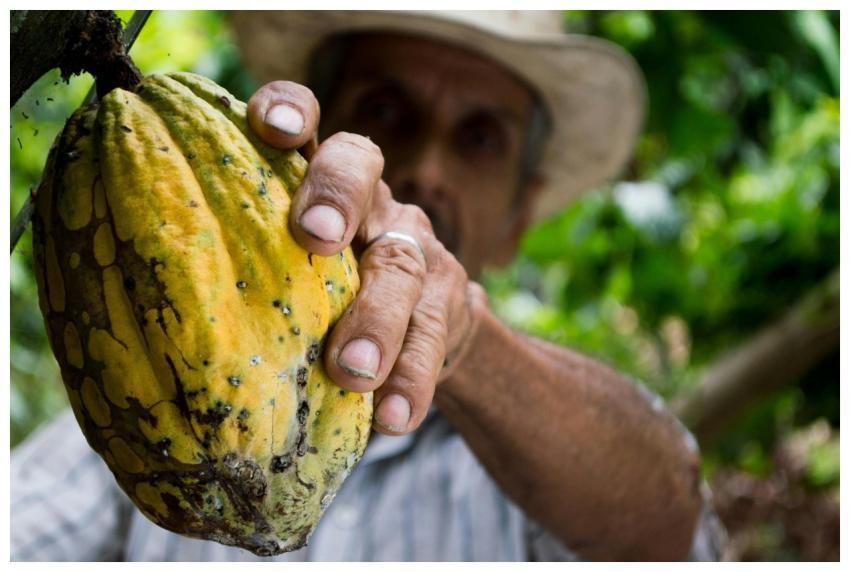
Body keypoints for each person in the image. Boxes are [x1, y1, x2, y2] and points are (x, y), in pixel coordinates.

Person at [11, 11, 727, 561]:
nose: (427, 169)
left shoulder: (546, 472)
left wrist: (464, 342)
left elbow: (669, 520)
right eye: (386, 112)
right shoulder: (133, 392)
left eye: (480, 137)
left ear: (520, 216)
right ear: (302, 135)